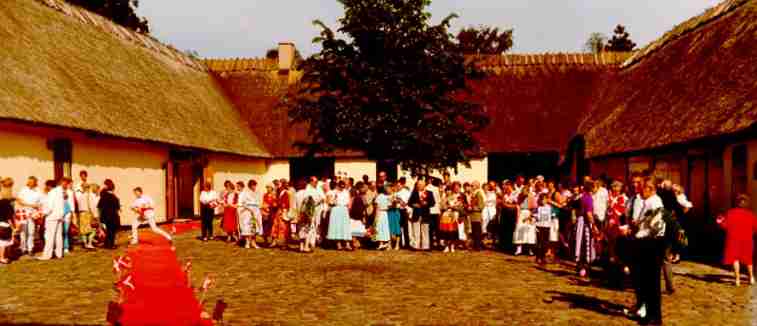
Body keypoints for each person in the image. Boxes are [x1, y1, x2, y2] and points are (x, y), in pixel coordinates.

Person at [622, 179, 666, 325]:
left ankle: (655, 317)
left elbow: (655, 225)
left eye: (643, 188)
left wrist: (638, 229)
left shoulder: (655, 202)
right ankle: (648, 314)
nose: (641, 191)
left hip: (651, 244)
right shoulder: (649, 201)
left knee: (652, 283)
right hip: (645, 242)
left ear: (650, 189)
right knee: (646, 282)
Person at [717, 194, 757, 286]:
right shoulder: (751, 215)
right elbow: (755, 228)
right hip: (747, 240)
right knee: (748, 260)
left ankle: (737, 280)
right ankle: (751, 278)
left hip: (733, 239)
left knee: (735, 259)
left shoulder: (730, 213)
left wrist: (719, 222)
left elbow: (724, 226)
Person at [39, 178, 75, 260]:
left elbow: (50, 206)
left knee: (49, 236)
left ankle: (47, 255)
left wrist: (43, 214)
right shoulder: (60, 192)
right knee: (58, 236)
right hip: (60, 216)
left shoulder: (52, 193)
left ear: (49, 186)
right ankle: (59, 254)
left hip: (52, 216)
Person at [574, 180, 596, 279]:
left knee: (581, 244)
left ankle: (580, 266)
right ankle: (584, 268)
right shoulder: (588, 198)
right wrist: (594, 225)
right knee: (585, 245)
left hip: (580, 221)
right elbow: (588, 214)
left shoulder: (582, 197)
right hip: (585, 223)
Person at [16, 176, 42, 255]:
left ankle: (30, 248)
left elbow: (41, 202)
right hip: (24, 213)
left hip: (33, 213)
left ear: (35, 183)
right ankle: (23, 248)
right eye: (29, 182)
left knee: (31, 231)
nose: (30, 183)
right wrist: (30, 205)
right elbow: (19, 201)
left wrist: (38, 209)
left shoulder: (38, 191)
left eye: (32, 182)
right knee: (23, 232)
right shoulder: (23, 190)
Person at [408, 179, 435, 251]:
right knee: (415, 230)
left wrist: (427, 204)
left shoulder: (429, 193)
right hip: (416, 213)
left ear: (424, 185)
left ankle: (425, 246)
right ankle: (416, 246)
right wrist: (414, 205)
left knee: (425, 230)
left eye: (421, 185)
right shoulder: (414, 193)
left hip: (425, 214)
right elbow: (409, 203)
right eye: (418, 185)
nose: (419, 186)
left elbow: (433, 203)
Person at [326, 181, 353, 250]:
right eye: (341, 186)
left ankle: (347, 244)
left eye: (343, 186)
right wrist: (333, 199)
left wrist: (348, 209)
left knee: (345, 227)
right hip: (336, 209)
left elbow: (349, 202)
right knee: (336, 226)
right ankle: (338, 244)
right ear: (338, 186)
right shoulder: (333, 192)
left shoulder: (346, 192)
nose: (342, 188)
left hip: (344, 210)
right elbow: (329, 202)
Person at [439, 183, 463, 253]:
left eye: (449, 190)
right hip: (445, 216)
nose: (448, 192)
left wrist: (453, 207)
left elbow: (459, 206)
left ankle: (452, 246)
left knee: (452, 232)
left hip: (453, 216)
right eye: (447, 190)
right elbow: (441, 207)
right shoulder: (443, 198)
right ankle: (446, 246)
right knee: (445, 232)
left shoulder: (455, 198)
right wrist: (446, 207)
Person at [237, 180, 261, 249]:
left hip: (256, 211)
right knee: (247, 227)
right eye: (253, 185)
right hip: (248, 211)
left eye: (255, 185)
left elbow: (258, 202)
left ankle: (253, 242)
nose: (254, 187)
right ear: (249, 186)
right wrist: (248, 209)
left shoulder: (257, 193)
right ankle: (247, 242)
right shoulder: (245, 193)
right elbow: (242, 203)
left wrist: (258, 209)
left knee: (255, 227)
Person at [97, 179, 120, 249]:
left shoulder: (103, 195)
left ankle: (107, 244)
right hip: (113, 215)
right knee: (112, 231)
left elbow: (99, 206)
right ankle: (110, 244)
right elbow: (117, 207)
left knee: (109, 230)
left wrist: (100, 216)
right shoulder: (114, 197)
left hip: (106, 215)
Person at [534, 194, 555, 265]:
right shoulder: (538, 208)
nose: (543, 201)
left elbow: (553, 216)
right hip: (539, 226)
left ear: (547, 200)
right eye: (541, 199)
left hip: (547, 226)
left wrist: (551, 224)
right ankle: (538, 256)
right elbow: (535, 216)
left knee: (545, 243)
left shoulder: (550, 208)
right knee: (539, 242)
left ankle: (543, 256)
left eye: (544, 199)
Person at [76, 183, 97, 250]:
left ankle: (85, 244)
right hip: (88, 214)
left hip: (81, 214)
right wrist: (95, 215)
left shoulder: (80, 196)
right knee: (93, 229)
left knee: (83, 231)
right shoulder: (90, 196)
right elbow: (92, 206)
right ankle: (90, 243)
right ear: (88, 188)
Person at [0, 178, 15, 264]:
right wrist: (13, 227)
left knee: (3, 242)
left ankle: (6, 255)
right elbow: (9, 217)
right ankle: (2, 257)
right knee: (4, 242)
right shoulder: (6, 204)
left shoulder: (2, 201)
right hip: (4, 224)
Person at [467, 182, 485, 251]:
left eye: (472, 185)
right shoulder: (473, 194)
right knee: (474, 232)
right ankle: (475, 245)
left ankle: (478, 246)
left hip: (477, 216)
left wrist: (472, 208)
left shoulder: (479, 194)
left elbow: (481, 206)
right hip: (473, 216)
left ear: (477, 186)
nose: (471, 187)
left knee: (477, 232)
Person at [372, 185, 391, 250]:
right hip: (385, 213)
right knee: (385, 228)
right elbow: (389, 206)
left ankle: (381, 243)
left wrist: (376, 217)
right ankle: (387, 244)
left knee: (379, 227)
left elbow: (377, 207)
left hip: (380, 213)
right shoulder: (386, 197)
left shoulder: (378, 197)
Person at [482, 181, 498, 247]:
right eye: (490, 185)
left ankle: (494, 242)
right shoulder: (484, 193)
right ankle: (484, 241)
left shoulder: (496, 192)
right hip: (485, 209)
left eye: (492, 185)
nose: (491, 187)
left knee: (493, 225)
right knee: (484, 225)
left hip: (493, 210)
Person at [387, 183, 403, 250]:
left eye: (388, 188)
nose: (387, 190)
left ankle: (397, 245)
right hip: (389, 212)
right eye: (387, 189)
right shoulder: (386, 196)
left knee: (397, 228)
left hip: (396, 212)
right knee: (389, 228)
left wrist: (396, 200)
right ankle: (390, 244)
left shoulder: (397, 195)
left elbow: (401, 202)